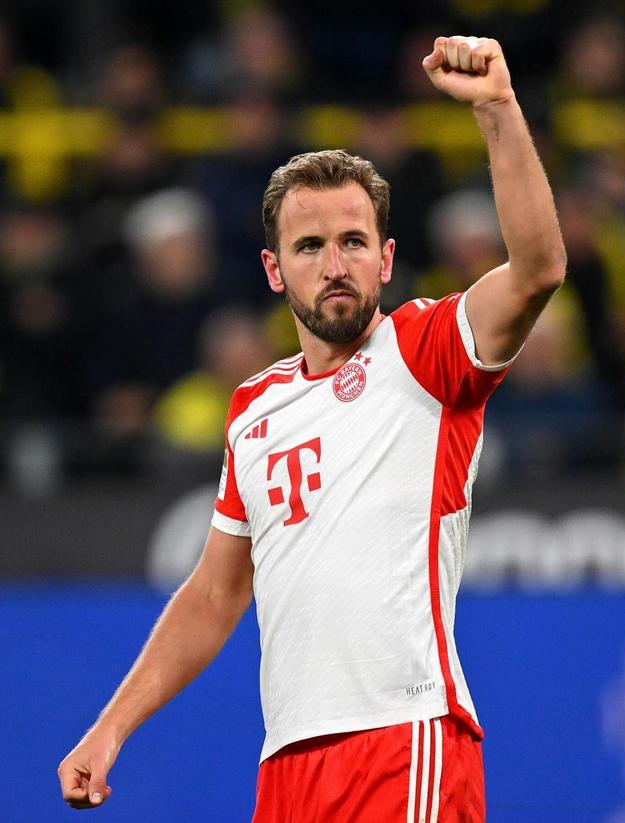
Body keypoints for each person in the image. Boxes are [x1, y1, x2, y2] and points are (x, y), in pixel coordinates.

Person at [58, 36, 566, 821]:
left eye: (353, 241)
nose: (335, 264)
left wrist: (497, 108)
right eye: (310, 246)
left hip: (406, 739)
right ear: (274, 270)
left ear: (385, 259)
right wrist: (111, 725)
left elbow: (537, 270)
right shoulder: (254, 408)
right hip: (288, 764)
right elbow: (216, 590)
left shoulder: (427, 351)